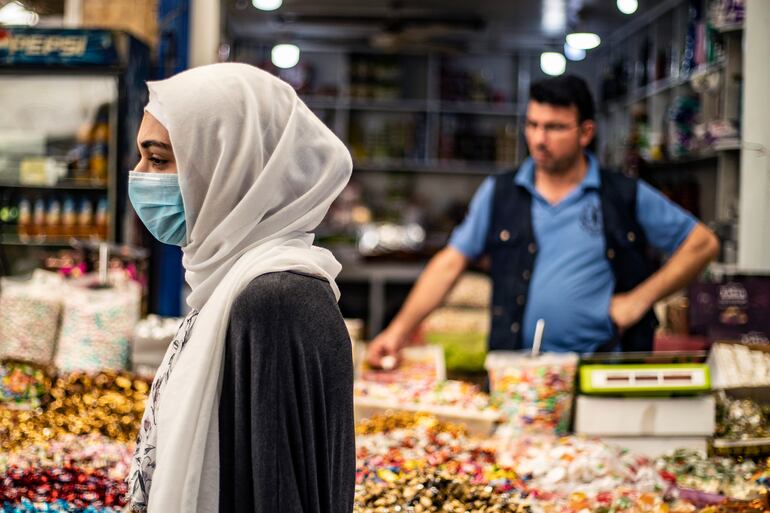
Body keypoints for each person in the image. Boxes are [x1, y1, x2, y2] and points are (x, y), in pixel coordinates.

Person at [125, 63, 355, 513]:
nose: (140, 175)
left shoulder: (277, 298)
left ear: (227, 165)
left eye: (158, 159)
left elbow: (279, 490)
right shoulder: (228, 285)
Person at [368, 74, 719, 366]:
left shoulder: (621, 194)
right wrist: (397, 332)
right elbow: (449, 264)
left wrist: (639, 299)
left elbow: (702, 244)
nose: (538, 139)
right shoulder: (501, 193)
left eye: (554, 127)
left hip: (600, 368)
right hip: (517, 373)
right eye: (532, 125)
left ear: (585, 132)